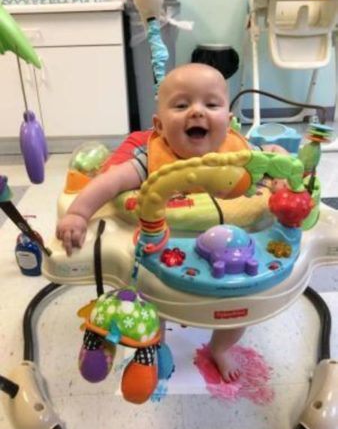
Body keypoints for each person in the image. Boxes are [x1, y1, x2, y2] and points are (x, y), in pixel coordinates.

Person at [56, 63, 285, 383]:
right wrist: (78, 213)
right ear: (159, 125)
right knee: (155, 303)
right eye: (181, 105)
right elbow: (109, 183)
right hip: (165, 245)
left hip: (233, 251)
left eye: (212, 104)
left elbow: (276, 166)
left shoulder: (241, 152)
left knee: (237, 310)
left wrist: (280, 174)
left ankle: (220, 348)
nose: (197, 112)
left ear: (230, 122)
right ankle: (155, 343)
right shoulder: (152, 158)